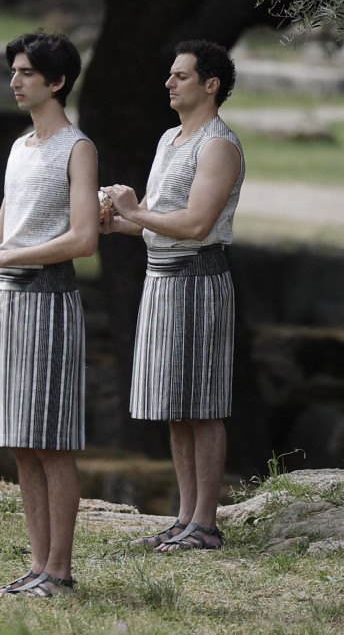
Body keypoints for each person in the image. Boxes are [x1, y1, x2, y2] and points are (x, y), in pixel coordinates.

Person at [0, 32, 97, 598]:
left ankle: (60, 572)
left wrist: (6, 256)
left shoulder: (77, 147)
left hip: (50, 301)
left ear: (56, 82)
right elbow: (5, 225)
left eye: (25, 73)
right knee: (21, 440)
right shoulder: (20, 147)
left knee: (51, 441)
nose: (15, 81)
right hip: (10, 301)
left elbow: (84, 239)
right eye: (13, 72)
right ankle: (38, 565)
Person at [100, 39, 245, 552]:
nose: (168, 83)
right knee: (175, 404)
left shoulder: (218, 146)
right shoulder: (169, 140)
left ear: (211, 85)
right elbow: (160, 221)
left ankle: (205, 523)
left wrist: (135, 212)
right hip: (161, 278)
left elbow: (198, 222)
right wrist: (118, 222)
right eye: (170, 74)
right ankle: (185, 516)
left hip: (200, 278)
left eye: (180, 76)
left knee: (202, 402)